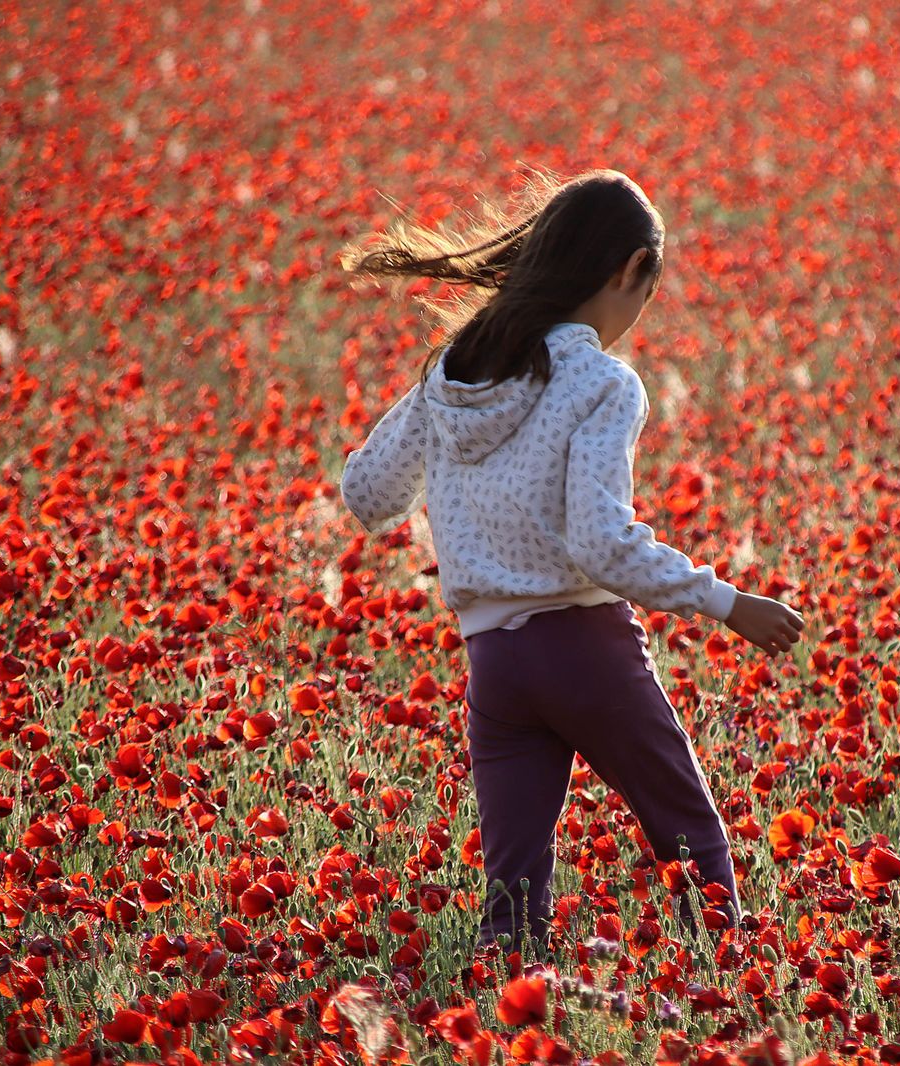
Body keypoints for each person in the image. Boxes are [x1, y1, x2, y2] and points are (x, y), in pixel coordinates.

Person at [337, 168, 806, 957]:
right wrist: (729, 603)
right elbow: (600, 543)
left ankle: (502, 1002)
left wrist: (440, 444)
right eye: (647, 292)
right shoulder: (601, 383)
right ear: (630, 270)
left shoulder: (456, 373)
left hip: (495, 668)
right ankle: (730, 989)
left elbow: (367, 494)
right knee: (690, 839)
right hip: (585, 652)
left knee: (513, 898)